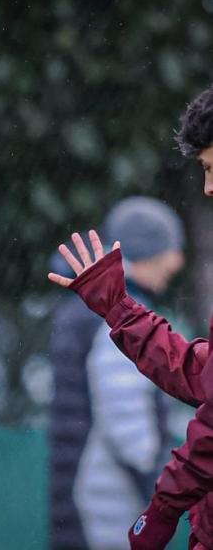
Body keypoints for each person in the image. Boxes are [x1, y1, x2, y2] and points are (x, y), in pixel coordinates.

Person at [48, 85, 213, 550]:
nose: (207, 187)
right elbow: (134, 419)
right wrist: (158, 498)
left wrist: (163, 503)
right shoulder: (96, 322)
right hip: (106, 499)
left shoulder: (85, 316)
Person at [48, 199, 186, 550]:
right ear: (144, 252)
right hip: (107, 508)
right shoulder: (115, 316)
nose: (177, 261)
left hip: (82, 497)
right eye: (169, 249)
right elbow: (129, 430)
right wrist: (165, 495)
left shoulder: (87, 309)